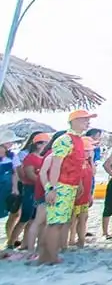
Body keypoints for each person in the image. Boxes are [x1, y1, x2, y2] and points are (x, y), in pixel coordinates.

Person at [40, 110, 96, 265]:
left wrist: (79, 184)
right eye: (84, 120)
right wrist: (52, 188)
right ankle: (50, 257)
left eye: (88, 120)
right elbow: (56, 165)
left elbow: (76, 166)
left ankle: (47, 256)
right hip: (61, 186)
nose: (88, 122)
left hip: (70, 186)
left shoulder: (78, 140)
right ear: (74, 121)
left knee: (61, 222)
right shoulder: (65, 140)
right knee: (55, 223)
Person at [11, 132, 50, 250]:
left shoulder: (44, 157)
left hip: (40, 189)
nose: (46, 145)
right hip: (31, 189)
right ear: (37, 144)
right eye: (44, 143)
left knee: (34, 218)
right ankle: (11, 242)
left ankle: (25, 243)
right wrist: (45, 182)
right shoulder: (30, 157)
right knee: (25, 217)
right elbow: (30, 174)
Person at [70, 136, 97, 248]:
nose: (88, 153)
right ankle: (71, 239)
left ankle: (81, 240)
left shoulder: (87, 162)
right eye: (86, 151)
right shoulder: (76, 161)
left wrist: (91, 159)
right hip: (77, 196)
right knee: (73, 219)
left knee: (83, 218)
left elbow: (93, 174)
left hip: (85, 195)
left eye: (89, 151)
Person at [0, 130, 23, 247]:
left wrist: (15, 188)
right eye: (9, 142)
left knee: (15, 213)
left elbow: (15, 173)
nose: (12, 144)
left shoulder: (12, 156)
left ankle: (10, 239)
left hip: (8, 188)